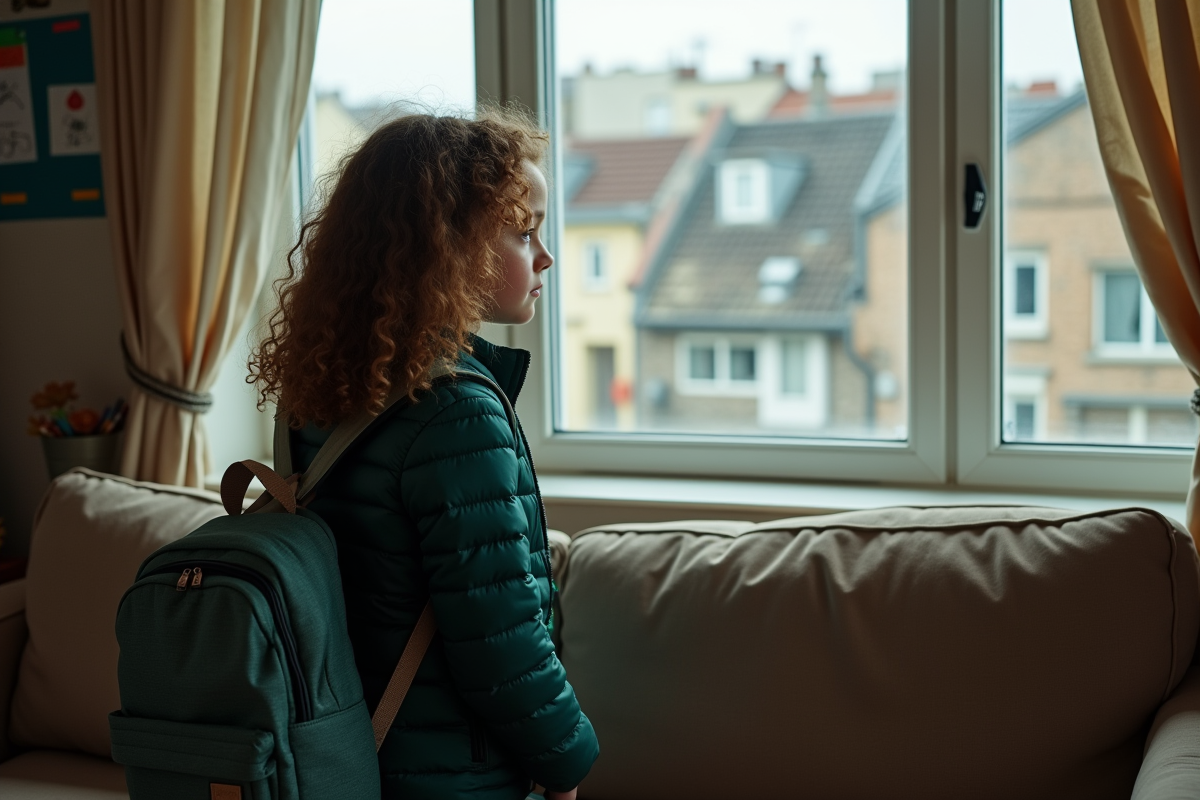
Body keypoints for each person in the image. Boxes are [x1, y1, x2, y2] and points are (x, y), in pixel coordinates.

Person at [249, 108, 599, 800]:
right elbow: (501, 642)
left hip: (341, 753)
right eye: (524, 232)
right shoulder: (458, 412)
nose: (546, 257)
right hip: (449, 776)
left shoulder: (322, 388)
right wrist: (568, 764)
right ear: (451, 243)